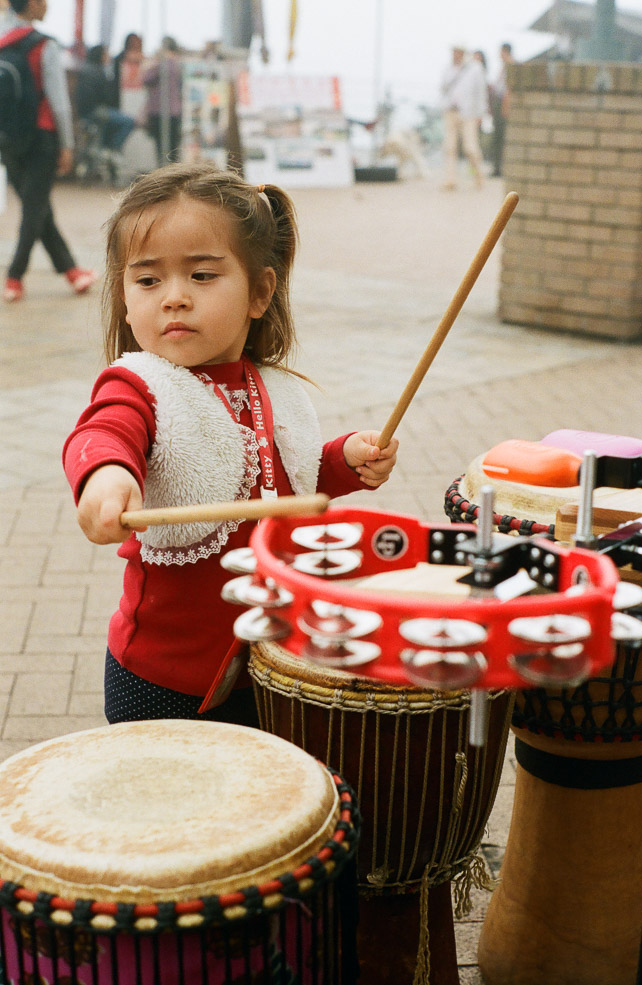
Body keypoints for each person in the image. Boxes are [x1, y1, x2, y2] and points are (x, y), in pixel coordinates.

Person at [63, 163, 399, 728]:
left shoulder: (273, 386)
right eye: (148, 281)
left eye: (201, 276)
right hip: (165, 675)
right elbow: (103, 432)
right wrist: (106, 476)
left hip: (271, 659)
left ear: (259, 292)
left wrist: (344, 461)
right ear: (124, 299)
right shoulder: (140, 384)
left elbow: (291, 477)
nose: (173, 298)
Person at [0, 0, 96, 303]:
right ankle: (15, 275)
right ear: (30, 4)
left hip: (8, 137)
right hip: (42, 135)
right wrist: (67, 144)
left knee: (37, 205)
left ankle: (72, 271)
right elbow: (58, 101)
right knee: (34, 207)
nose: (48, 5)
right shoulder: (45, 45)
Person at [74, 44, 136, 156]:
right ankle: (112, 150)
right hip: (96, 111)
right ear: (101, 56)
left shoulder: (86, 69)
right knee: (129, 122)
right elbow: (106, 97)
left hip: (85, 112)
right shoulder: (99, 72)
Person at [440, 44, 487, 189]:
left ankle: (479, 175)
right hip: (450, 111)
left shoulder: (475, 69)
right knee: (450, 147)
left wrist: (480, 114)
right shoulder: (448, 69)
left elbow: (481, 92)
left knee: (470, 147)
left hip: (468, 114)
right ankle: (451, 180)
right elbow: (443, 89)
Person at [142, 35, 183, 165]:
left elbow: (146, 79)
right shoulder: (178, 64)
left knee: (161, 147)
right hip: (175, 110)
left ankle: (163, 174)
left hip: (159, 111)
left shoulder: (161, 64)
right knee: (173, 148)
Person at [490, 42, 514, 178]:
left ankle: (500, 168)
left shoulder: (510, 65)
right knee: (497, 137)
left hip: (504, 104)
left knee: (501, 137)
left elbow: (509, 89)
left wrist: (505, 106)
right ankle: (496, 167)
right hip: (499, 103)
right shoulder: (504, 66)